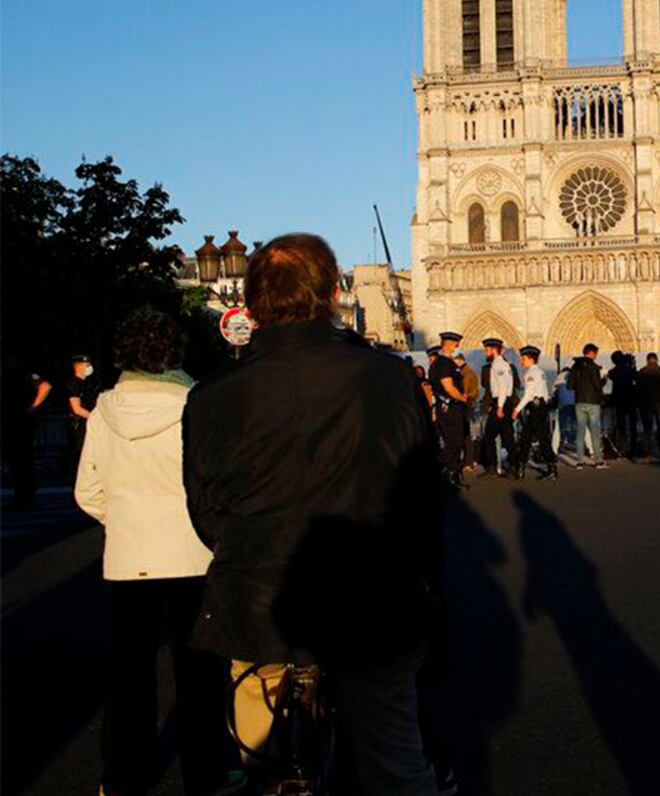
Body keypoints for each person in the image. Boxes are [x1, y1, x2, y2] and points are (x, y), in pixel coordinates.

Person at [184, 234, 442, 794]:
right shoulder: (390, 377)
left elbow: (203, 511)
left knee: (262, 762)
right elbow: (423, 495)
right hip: (375, 602)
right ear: (331, 295)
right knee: (395, 766)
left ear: (251, 303)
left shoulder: (211, 394)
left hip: (259, 607)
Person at [75, 309, 228, 796]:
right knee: (200, 675)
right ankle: (205, 775)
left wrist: (123, 519)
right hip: (191, 554)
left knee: (129, 675)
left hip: (127, 554)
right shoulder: (197, 405)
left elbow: (87, 492)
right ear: (175, 352)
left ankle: (123, 777)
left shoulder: (103, 410)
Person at [0, 355, 49, 509]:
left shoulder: (24, 374)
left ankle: (26, 497)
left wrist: (33, 406)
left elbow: (45, 386)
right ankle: (22, 496)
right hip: (13, 421)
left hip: (21, 422)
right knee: (17, 460)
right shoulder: (11, 375)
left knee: (22, 460)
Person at [428, 333, 470, 485]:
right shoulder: (444, 363)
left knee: (454, 442)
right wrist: (461, 397)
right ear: (447, 344)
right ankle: (433, 468)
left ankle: (453, 474)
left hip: (448, 407)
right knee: (455, 442)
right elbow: (448, 386)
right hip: (450, 407)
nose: (457, 346)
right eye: (455, 343)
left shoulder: (441, 362)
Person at [512, 346, 554, 480]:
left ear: (530, 359)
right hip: (540, 407)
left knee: (533, 438)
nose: (521, 361)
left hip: (535, 408)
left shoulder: (531, 373)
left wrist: (517, 409)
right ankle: (523, 467)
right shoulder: (540, 372)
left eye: (523, 358)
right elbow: (545, 392)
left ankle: (522, 468)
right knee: (531, 437)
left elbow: (528, 394)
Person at [478, 338, 518, 475]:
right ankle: (512, 466)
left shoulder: (499, 365)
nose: (485, 353)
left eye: (487, 350)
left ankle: (493, 467)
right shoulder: (501, 364)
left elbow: (502, 387)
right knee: (507, 436)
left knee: (490, 436)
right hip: (503, 403)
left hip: (501, 403)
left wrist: (499, 406)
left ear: (494, 350)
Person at [569, 343, 607, 468]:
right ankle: (598, 460)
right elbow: (597, 385)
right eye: (596, 353)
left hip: (579, 401)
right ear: (592, 353)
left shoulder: (575, 366)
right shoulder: (594, 367)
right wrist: (604, 378)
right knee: (595, 432)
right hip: (593, 403)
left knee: (580, 432)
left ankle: (579, 460)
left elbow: (570, 385)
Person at [65, 352, 102, 470]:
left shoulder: (90, 383)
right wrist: (95, 417)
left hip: (90, 422)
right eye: (86, 364)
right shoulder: (73, 384)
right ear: (78, 366)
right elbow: (77, 409)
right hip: (79, 424)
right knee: (79, 453)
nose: (89, 367)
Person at [637, 352, 660, 462]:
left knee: (647, 430)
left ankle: (646, 455)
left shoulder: (642, 372)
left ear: (647, 360)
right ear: (656, 360)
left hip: (646, 404)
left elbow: (638, 389)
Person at [608, 351, 640, 459]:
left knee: (621, 427)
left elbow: (611, 375)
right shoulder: (630, 370)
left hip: (619, 402)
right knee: (633, 427)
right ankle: (634, 449)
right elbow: (637, 379)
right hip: (631, 402)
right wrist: (632, 365)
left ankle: (622, 449)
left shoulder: (614, 372)